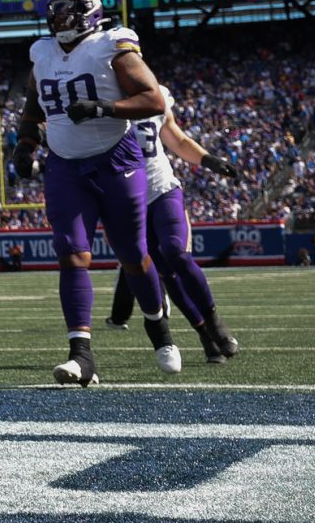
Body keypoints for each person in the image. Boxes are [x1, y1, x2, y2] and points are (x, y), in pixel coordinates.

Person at [14, 0, 180, 386]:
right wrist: (26, 142)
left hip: (115, 159)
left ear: (88, 12)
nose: (58, 20)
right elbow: (35, 104)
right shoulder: (43, 52)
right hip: (65, 167)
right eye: (54, 13)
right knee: (72, 255)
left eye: (66, 12)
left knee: (134, 255)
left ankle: (159, 329)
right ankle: (81, 356)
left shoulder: (113, 46)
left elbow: (153, 99)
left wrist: (105, 107)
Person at [103, 86, 242, 363]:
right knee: (166, 274)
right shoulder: (101, 98)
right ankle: (205, 335)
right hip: (128, 199)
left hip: (163, 188)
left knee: (175, 251)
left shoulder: (155, 93)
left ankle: (215, 323)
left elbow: (176, 140)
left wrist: (208, 160)